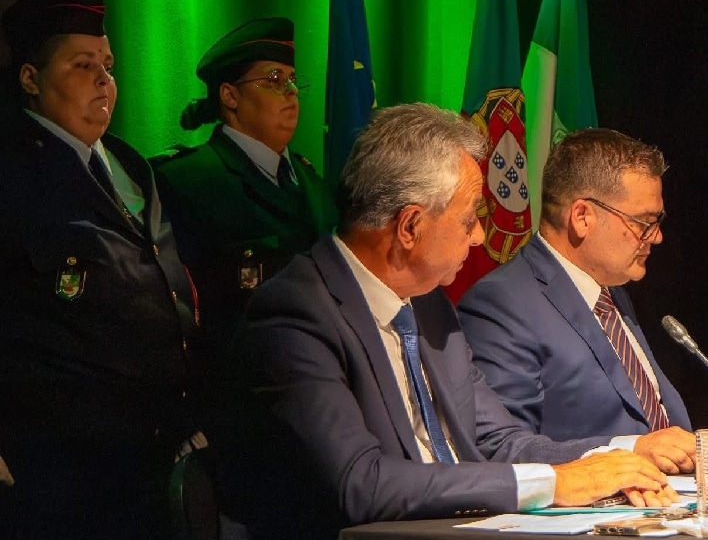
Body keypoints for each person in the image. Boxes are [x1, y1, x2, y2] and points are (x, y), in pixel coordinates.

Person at [214, 105, 675, 540]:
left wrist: (622, 458)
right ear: (410, 227)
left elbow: (498, 441)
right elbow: (360, 483)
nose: (479, 237)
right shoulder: (296, 313)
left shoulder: (429, 304)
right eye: (469, 219)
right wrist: (553, 484)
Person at [0, 0, 200, 538]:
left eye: (108, 66)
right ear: (31, 78)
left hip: (156, 456)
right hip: (61, 471)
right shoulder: (12, 175)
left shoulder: (131, 165)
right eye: (83, 65)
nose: (104, 81)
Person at [459, 128, 708, 475]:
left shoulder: (610, 290)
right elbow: (501, 449)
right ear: (582, 217)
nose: (656, 237)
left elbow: (655, 428)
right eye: (644, 222)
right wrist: (630, 451)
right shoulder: (501, 304)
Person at [153, 17, 337, 351]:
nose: (292, 91)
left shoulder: (310, 180)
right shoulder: (187, 181)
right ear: (230, 95)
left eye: (292, 79)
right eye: (274, 79)